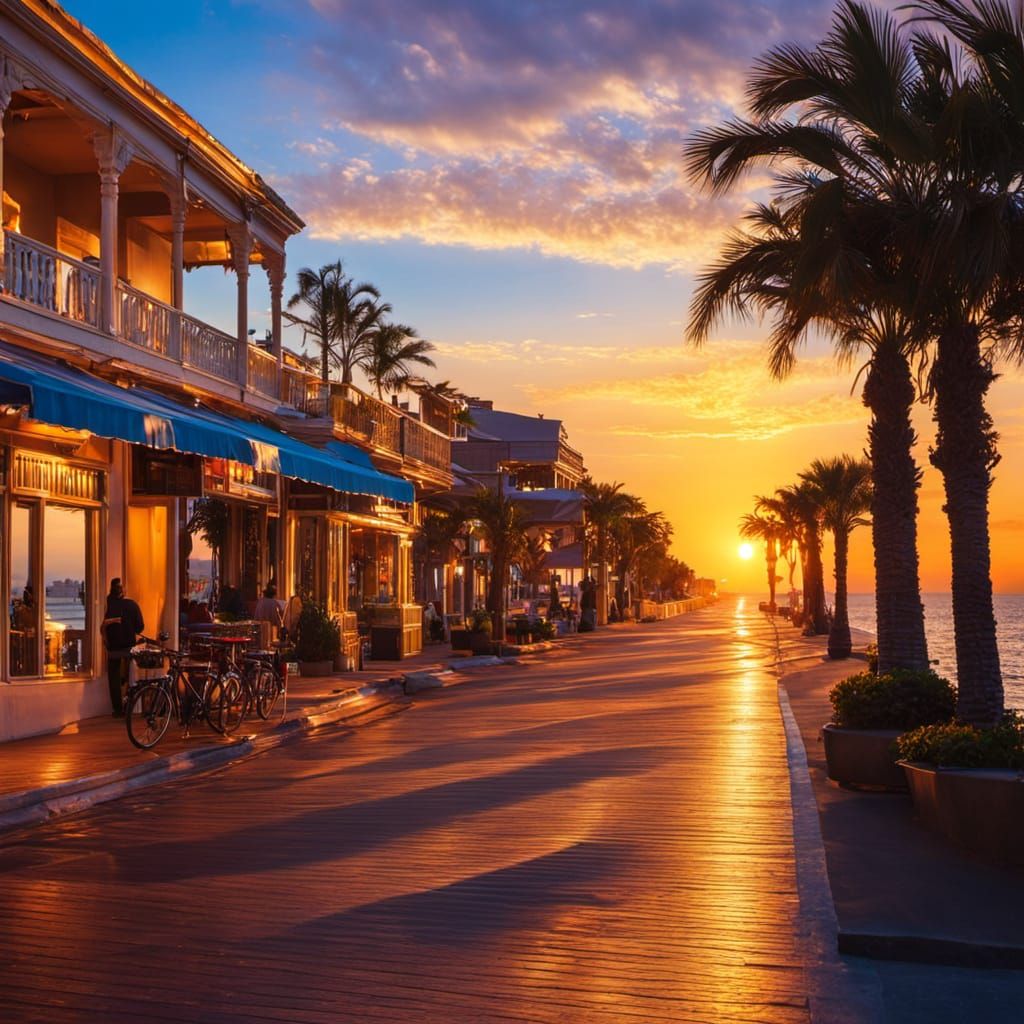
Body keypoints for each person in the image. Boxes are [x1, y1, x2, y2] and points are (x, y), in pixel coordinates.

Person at [102, 578, 144, 716]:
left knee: (114, 678)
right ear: (123, 591)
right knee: (131, 676)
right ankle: (130, 705)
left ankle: (117, 709)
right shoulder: (132, 605)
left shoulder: (106, 605)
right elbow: (140, 627)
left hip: (112, 648)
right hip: (128, 647)